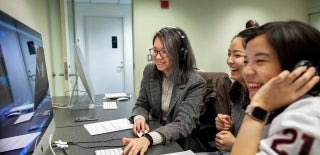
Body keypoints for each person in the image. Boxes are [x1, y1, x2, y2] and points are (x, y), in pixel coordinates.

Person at [231, 20, 320, 155]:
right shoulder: (286, 109)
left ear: (301, 69)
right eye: (246, 61)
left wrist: (259, 107)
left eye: (260, 61)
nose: (247, 71)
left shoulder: (304, 118)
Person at [121, 26, 206, 155]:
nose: (158, 57)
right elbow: (142, 104)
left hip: (178, 143)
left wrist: (149, 139)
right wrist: (139, 118)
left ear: (180, 54)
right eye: (155, 51)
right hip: (152, 132)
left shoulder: (195, 83)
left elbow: (183, 123)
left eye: (165, 52)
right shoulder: (149, 71)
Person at [214, 20, 259, 152]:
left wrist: (235, 144)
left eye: (237, 55)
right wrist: (228, 125)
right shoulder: (238, 87)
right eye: (229, 54)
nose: (229, 60)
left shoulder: (268, 98)